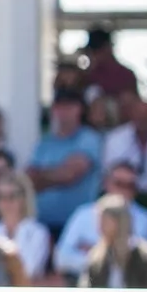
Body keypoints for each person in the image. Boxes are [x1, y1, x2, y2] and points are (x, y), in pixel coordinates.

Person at [53, 161, 147, 277]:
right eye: (119, 184)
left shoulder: (145, 219)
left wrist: (91, 250)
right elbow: (61, 259)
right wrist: (99, 260)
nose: (124, 190)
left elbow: (136, 263)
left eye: (130, 186)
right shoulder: (82, 214)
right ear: (106, 183)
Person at [26, 88, 102, 235]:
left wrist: (42, 176)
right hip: (42, 224)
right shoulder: (44, 143)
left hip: (77, 226)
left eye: (69, 107)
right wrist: (57, 173)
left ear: (79, 109)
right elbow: (28, 180)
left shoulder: (89, 139)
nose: (64, 112)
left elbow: (69, 175)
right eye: (60, 107)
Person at [79, 194, 147, 289]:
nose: (100, 226)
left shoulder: (144, 256)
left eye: (104, 221)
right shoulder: (96, 257)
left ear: (119, 221)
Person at [0, 173, 51, 280]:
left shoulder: (38, 232)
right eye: (1, 197)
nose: (6, 202)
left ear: (24, 199)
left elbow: (29, 270)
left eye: (12, 196)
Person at [81, 26, 138, 101]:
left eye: (100, 50)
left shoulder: (126, 74)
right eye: (94, 52)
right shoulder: (88, 77)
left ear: (109, 48)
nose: (96, 55)